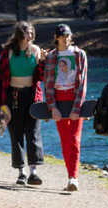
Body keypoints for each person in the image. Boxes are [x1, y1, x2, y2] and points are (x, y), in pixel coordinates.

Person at [0, 21, 45, 186]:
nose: (29, 36)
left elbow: (42, 77)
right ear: (19, 34)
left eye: (31, 33)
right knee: (16, 134)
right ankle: (21, 172)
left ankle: (33, 172)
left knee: (34, 133)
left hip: (32, 97)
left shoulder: (35, 51)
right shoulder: (8, 52)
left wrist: (43, 62)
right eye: (26, 33)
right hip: (12, 98)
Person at [43, 23, 88, 192]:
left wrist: (77, 107)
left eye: (68, 35)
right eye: (62, 36)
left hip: (75, 99)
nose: (66, 39)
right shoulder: (51, 57)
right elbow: (48, 83)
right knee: (65, 141)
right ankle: (70, 174)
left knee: (74, 140)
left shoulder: (79, 54)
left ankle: (73, 178)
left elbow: (83, 82)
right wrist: (52, 106)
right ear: (56, 38)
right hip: (58, 99)